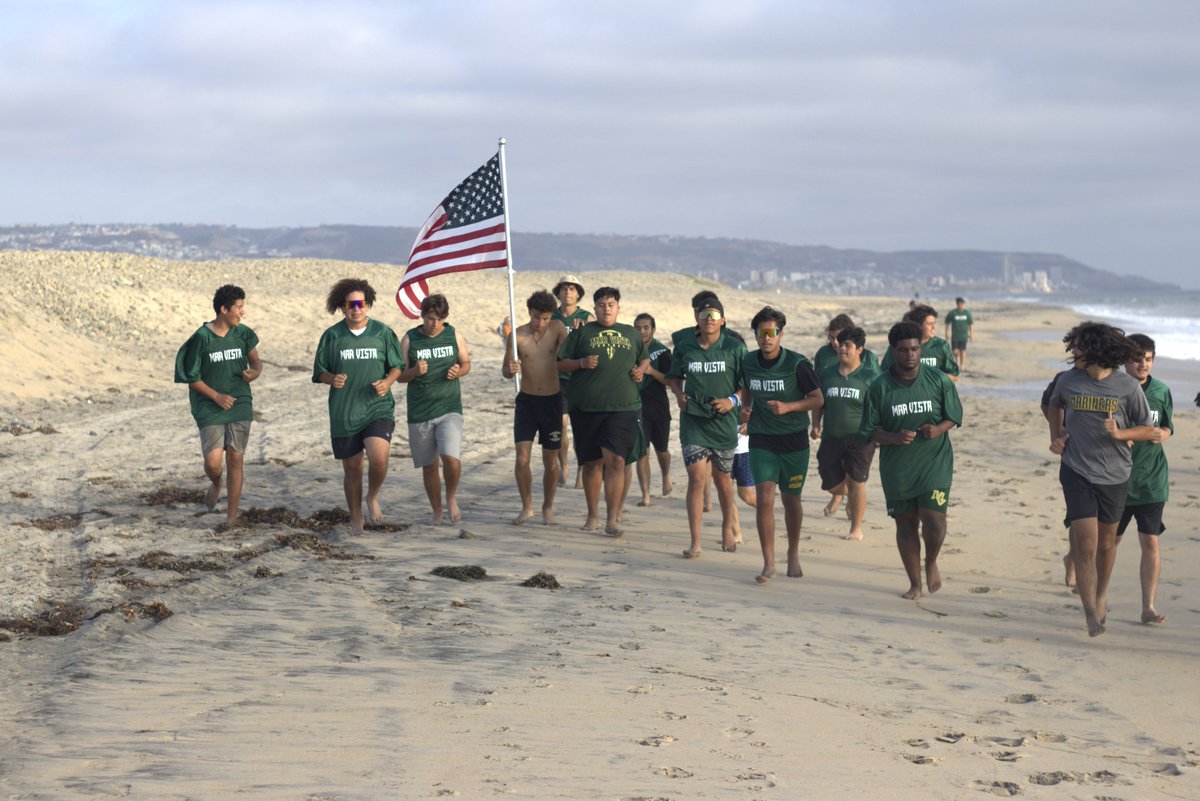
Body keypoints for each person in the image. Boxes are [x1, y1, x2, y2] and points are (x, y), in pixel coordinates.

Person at [1047, 322, 1155, 637]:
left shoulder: (1127, 387)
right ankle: (1091, 613)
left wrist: (1120, 433)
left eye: (1078, 346)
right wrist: (1056, 437)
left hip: (1115, 475)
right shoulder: (1068, 381)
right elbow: (1054, 404)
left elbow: (1147, 429)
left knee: (1107, 545)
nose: (1072, 351)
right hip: (1076, 471)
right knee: (1086, 544)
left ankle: (1101, 592)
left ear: (1095, 351)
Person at [860, 321, 963, 600]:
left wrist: (938, 429)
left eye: (915, 349)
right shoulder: (879, 387)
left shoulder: (938, 380)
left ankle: (931, 561)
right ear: (894, 352)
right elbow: (868, 430)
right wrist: (892, 437)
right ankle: (915, 583)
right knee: (905, 525)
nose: (910, 355)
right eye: (904, 350)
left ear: (920, 348)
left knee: (935, 521)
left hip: (934, 461)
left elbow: (954, 415)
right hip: (898, 467)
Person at [312, 279, 403, 533]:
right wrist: (332, 378)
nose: (355, 309)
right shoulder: (332, 336)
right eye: (350, 304)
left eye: (360, 304)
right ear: (342, 307)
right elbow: (319, 371)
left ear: (367, 305)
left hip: (377, 407)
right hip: (344, 412)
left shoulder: (382, 333)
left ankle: (372, 496)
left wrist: (387, 382)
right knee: (352, 469)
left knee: (379, 457)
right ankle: (355, 516)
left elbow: (397, 366)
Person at [557, 286, 649, 536]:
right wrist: (580, 363)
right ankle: (592, 514)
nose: (606, 308)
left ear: (618, 307)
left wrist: (640, 369)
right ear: (594, 308)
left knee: (616, 460)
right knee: (591, 463)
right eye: (601, 304)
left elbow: (644, 358)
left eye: (610, 304)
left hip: (623, 408)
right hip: (586, 408)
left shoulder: (630, 333)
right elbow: (560, 363)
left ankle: (612, 519)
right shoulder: (580, 332)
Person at [740, 306, 823, 582]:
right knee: (764, 498)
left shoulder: (797, 364)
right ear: (755, 335)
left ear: (780, 335)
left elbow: (817, 399)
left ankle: (794, 553)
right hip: (762, 439)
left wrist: (789, 407)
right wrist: (746, 408)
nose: (766, 338)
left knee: (791, 501)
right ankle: (768, 563)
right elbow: (747, 390)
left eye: (771, 332)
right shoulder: (748, 362)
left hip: (794, 442)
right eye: (761, 333)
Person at [174, 284, 262, 528]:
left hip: (240, 402)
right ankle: (216, 483)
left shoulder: (244, 334)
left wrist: (254, 372)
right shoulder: (201, 338)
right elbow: (192, 378)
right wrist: (216, 397)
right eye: (239, 307)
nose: (242, 313)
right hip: (209, 405)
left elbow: (255, 361)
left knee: (236, 457)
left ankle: (231, 517)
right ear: (224, 309)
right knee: (213, 463)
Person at [668, 296, 747, 558]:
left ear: (723, 320)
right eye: (704, 315)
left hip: (724, 422)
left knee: (724, 481)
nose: (709, 319)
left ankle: (727, 526)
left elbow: (747, 385)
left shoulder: (734, 348)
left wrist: (732, 400)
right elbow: (675, 377)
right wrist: (679, 394)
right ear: (697, 320)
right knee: (696, 479)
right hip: (693, 421)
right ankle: (696, 542)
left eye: (714, 315)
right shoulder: (685, 346)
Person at [1115, 333, 1174, 625]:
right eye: (1138, 359)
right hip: (1117, 479)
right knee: (1108, 542)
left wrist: (1163, 434)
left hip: (1152, 480)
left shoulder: (1161, 391)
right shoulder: (1113, 389)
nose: (1143, 364)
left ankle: (1148, 606)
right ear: (1125, 360)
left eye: (1148, 359)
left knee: (1150, 541)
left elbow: (1167, 427)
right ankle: (1095, 594)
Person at [399, 293, 471, 525]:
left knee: (451, 458)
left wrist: (458, 371)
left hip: (449, 407)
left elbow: (467, 363)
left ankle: (451, 498)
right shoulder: (410, 339)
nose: (435, 324)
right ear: (422, 317)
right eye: (430, 319)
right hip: (420, 411)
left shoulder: (454, 335)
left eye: (439, 319)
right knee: (429, 466)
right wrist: (413, 372)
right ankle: (437, 511)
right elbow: (398, 375)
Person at [503, 290, 569, 525]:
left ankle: (548, 507)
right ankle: (527, 507)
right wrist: (510, 370)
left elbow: (570, 352)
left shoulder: (559, 328)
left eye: (545, 318)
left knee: (550, 462)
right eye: (535, 317)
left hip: (552, 401)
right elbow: (505, 372)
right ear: (529, 312)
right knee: (522, 459)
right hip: (527, 402)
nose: (540, 323)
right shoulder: (518, 336)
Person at [812, 326, 879, 541]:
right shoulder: (827, 373)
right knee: (831, 482)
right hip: (832, 436)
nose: (842, 349)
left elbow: (879, 408)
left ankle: (856, 528)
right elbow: (819, 402)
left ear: (860, 349)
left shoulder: (870, 377)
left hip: (860, 438)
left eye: (848, 345)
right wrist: (815, 423)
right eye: (840, 345)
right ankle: (851, 495)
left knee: (857, 481)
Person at [552, 274, 594, 489]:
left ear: (578, 294)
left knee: (581, 427)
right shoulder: (551, 317)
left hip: (581, 378)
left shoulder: (587, 317)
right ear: (558, 293)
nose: (568, 292)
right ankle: (564, 465)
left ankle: (581, 468)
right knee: (561, 425)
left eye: (572, 289)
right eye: (564, 288)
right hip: (557, 377)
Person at [633, 313, 673, 504]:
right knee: (642, 452)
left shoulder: (662, 351)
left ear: (653, 329)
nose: (642, 331)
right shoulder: (630, 351)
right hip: (637, 406)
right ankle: (646, 495)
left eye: (646, 327)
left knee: (662, 451)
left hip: (659, 407)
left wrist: (650, 371)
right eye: (638, 328)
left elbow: (671, 381)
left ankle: (666, 474)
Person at [880, 304, 959, 382]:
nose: (934, 327)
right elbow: (882, 374)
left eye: (934, 323)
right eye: (929, 324)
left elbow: (954, 376)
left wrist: (936, 380)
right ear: (919, 326)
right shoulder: (899, 345)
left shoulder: (941, 346)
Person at [813, 314, 880, 378]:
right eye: (832, 338)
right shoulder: (823, 353)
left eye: (839, 338)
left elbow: (876, 382)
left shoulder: (867, 357)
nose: (835, 342)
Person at [944, 298, 975, 372]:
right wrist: (946, 333)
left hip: (964, 336)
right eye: (959, 304)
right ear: (957, 304)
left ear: (964, 304)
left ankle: (962, 365)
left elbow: (971, 324)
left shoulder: (967, 314)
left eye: (962, 304)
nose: (961, 305)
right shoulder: (952, 313)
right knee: (955, 351)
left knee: (963, 351)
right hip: (955, 336)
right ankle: (957, 362)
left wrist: (971, 335)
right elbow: (947, 323)